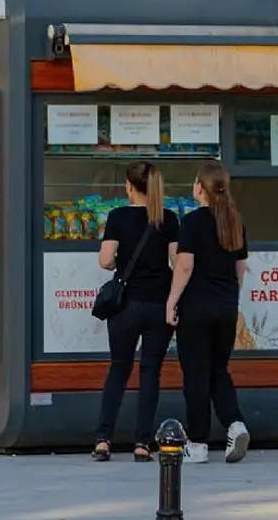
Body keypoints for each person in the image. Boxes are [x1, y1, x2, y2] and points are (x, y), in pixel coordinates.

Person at [164, 161, 250, 464]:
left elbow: (185, 266)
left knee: (196, 375)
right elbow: (241, 268)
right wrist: (230, 297)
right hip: (226, 308)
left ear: (199, 188)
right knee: (218, 371)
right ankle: (235, 424)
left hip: (197, 308)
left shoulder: (192, 222)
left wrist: (171, 301)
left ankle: (198, 443)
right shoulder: (235, 222)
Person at [93, 162, 180, 462]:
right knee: (150, 373)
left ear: (129, 187)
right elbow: (177, 261)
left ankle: (103, 440)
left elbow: (105, 260)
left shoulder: (117, 216)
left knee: (119, 369)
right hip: (158, 304)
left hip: (125, 306)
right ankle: (143, 443)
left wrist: (123, 263)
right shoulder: (168, 218)